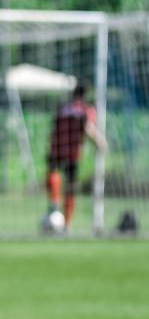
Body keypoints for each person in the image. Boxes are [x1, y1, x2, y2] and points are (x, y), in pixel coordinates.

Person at [45, 82, 105, 231]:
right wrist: (100, 142)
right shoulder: (86, 110)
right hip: (72, 153)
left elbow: (53, 127)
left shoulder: (63, 108)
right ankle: (67, 224)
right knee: (70, 188)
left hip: (56, 148)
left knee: (53, 173)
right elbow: (88, 128)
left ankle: (54, 201)